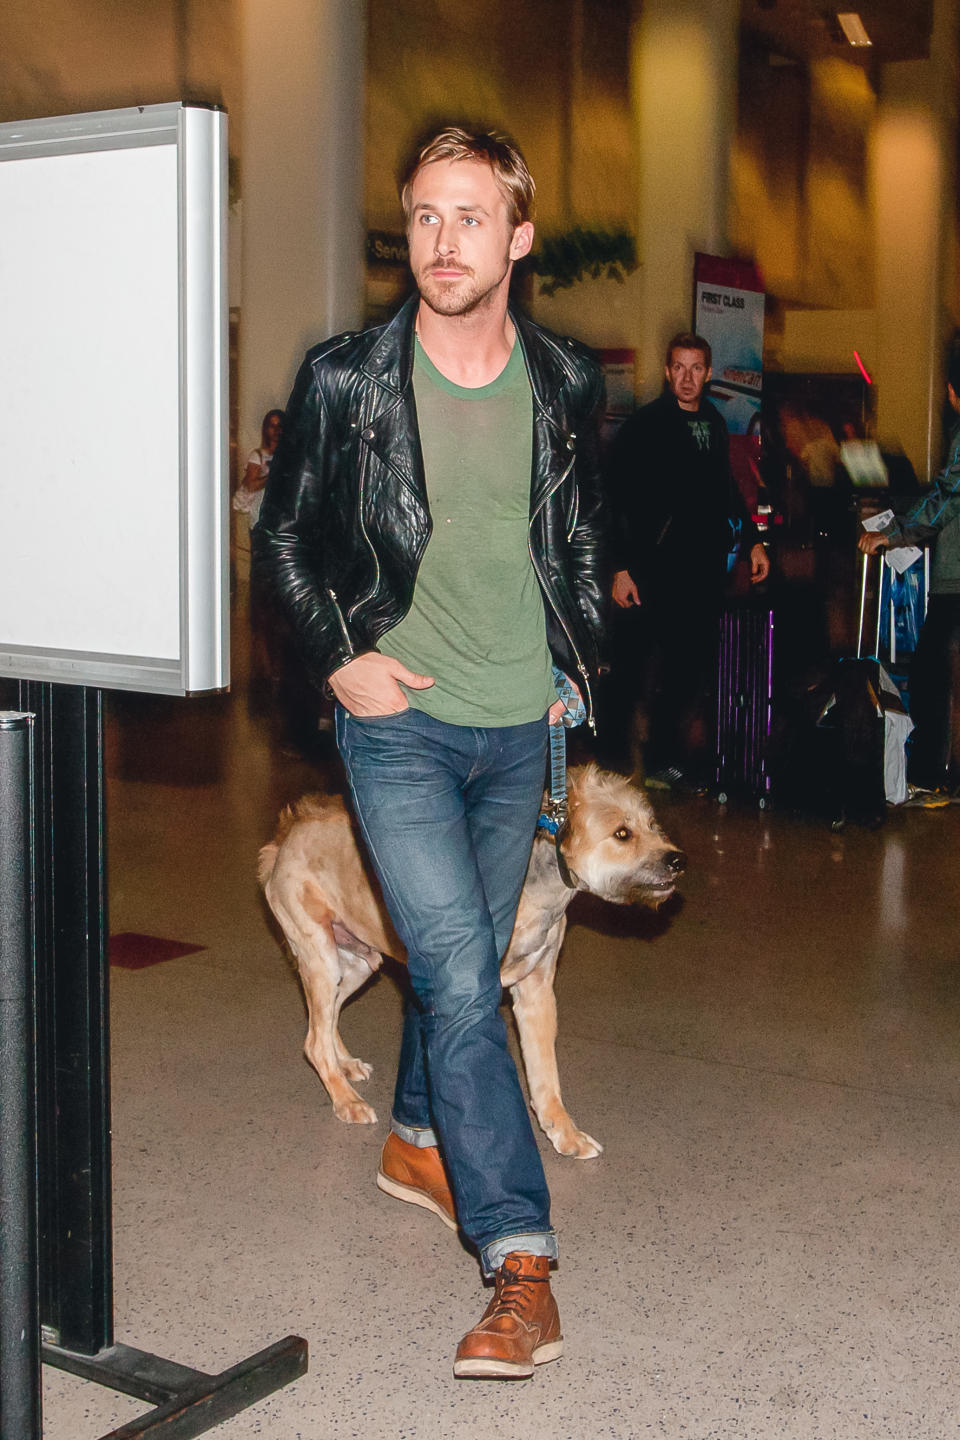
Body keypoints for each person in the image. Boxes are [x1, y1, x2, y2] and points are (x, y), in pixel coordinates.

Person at [254, 126, 606, 1379]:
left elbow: (567, 541)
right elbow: (283, 544)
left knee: (454, 958)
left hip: (520, 728)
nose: (441, 243)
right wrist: (340, 653)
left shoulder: (563, 380)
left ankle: (415, 1134)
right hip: (397, 721)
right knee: (461, 972)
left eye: (468, 218)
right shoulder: (349, 377)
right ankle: (522, 1264)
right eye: (422, 217)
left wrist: (577, 664)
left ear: (517, 238)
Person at [604, 332, 770, 785]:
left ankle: (664, 760)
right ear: (666, 371)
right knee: (634, 670)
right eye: (678, 367)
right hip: (650, 568)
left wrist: (753, 540)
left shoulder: (714, 423)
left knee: (687, 670)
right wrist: (619, 567)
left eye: (696, 368)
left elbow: (728, 489)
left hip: (699, 570)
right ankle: (613, 762)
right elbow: (614, 497)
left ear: (709, 373)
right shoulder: (646, 425)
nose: (687, 377)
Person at [858, 359, 960, 796]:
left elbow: (948, 494)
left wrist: (892, 533)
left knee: (931, 673)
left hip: (956, 578)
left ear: (953, 392)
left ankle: (930, 775)